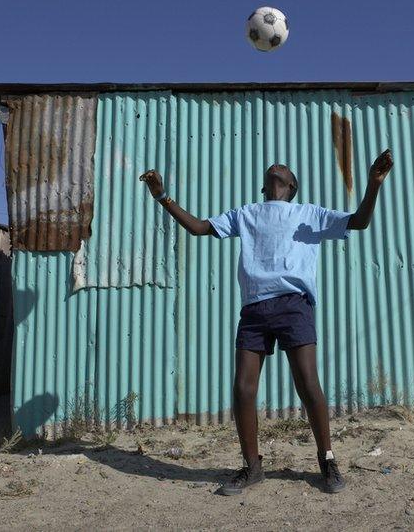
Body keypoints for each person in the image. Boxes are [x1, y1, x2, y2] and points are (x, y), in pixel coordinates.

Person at [139, 149, 394, 495]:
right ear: (265, 187)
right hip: (255, 309)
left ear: (291, 185)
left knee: (307, 383)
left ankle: (327, 459)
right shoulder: (247, 214)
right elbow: (199, 228)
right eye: (271, 171)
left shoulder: (310, 214)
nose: (276, 167)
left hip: (294, 305)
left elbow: (359, 221)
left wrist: (373, 184)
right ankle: (252, 467)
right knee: (243, 389)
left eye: (283, 171)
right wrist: (162, 197)